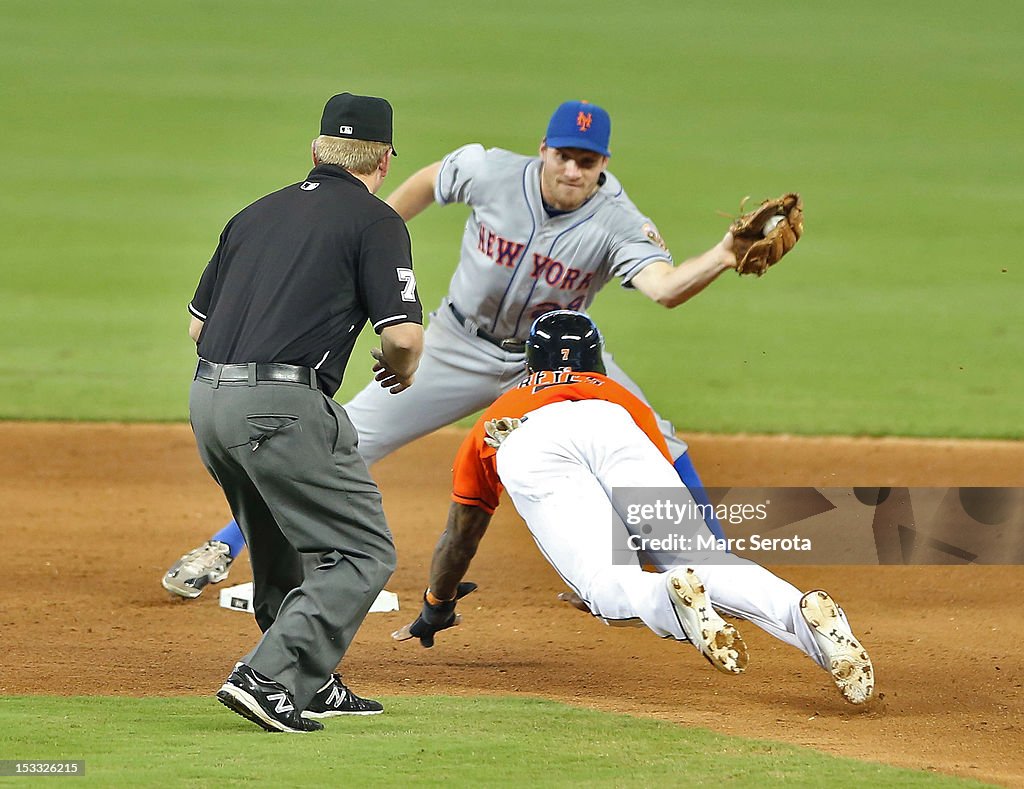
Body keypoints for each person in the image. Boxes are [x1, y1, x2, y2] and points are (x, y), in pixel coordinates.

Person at [164, 98, 741, 598]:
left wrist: (723, 255)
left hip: (554, 363)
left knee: (654, 439)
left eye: (586, 161)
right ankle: (223, 546)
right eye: (563, 155)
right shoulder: (490, 171)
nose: (571, 169)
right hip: (456, 344)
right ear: (543, 150)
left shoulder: (618, 221)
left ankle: (713, 571)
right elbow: (430, 180)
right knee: (351, 437)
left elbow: (664, 289)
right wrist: (365, 229)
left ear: (603, 165)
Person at [392, 311, 875, 705]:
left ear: (529, 366)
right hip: (616, 431)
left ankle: (670, 598)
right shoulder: (621, 399)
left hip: (526, 439)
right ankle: (800, 609)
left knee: (605, 586)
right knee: (707, 563)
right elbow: (651, 501)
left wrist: (438, 604)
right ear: (597, 362)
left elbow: (461, 535)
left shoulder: (497, 414)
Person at [187, 92, 424, 732]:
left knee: (279, 545)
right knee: (362, 551)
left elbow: (195, 325)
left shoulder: (252, 215)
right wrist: (399, 372)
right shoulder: (375, 221)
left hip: (208, 401)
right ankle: (268, 676)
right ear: (384, 160)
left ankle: (305, 680)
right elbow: (402, 337)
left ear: (317, 150)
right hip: (282, 407)